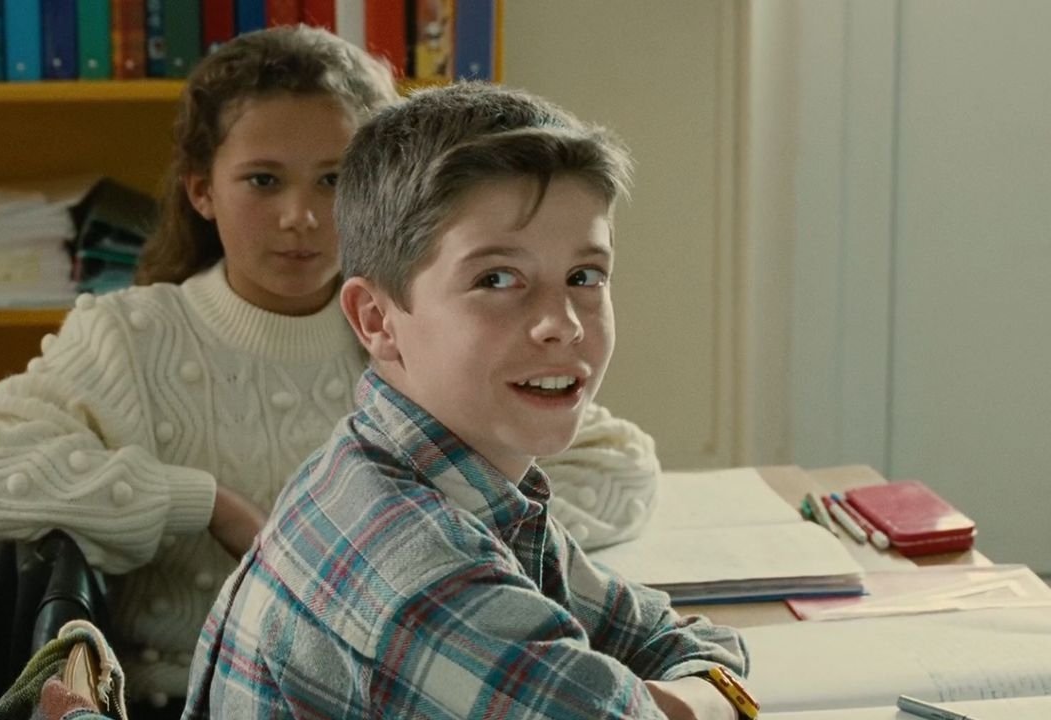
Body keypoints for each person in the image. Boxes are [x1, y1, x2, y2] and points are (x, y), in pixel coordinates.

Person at [0, 25, 661, 714]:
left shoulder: (420, 334)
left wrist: (450, 558)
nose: (302, 217)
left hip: (414, 672)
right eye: (263, 181)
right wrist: (204, 503)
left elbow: (617, 464)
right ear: (201, 189)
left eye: (333, 180)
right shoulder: (133, 336)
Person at [184, 83, 752, 720]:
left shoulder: (428, 475)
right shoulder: (421, 574)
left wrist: (690, 697)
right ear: (376, 319)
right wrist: (706, 701)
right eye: (497, 279)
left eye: (584, 276)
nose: (561, 323)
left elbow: (665, 636)